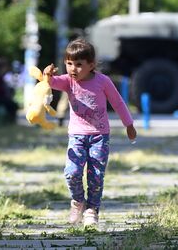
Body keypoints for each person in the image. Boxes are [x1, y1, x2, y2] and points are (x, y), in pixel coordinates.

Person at [43, 38, 137, 226]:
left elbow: (117, 102)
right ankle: (78, 201)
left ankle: (92, 210)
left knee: (95, 176)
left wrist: (129, 124)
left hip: (99, 137)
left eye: (79, 65)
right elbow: (52, 83)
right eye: (69, 64)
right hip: (77, 136)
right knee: (72, 172)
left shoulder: (103, 81)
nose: (73, 69)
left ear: (91, 65)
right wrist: (47, 75)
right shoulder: (68, 82)